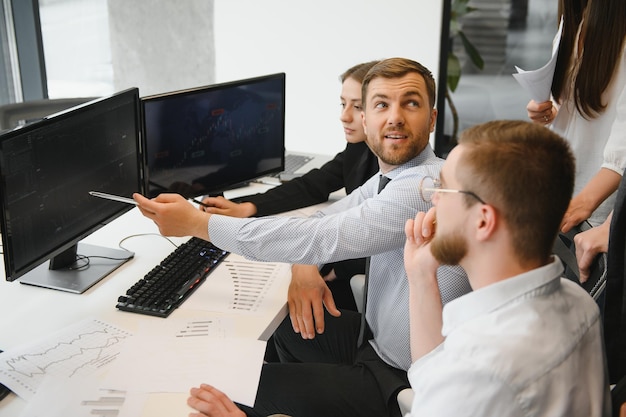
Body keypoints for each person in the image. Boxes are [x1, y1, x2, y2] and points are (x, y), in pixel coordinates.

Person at [134, 57, 471, 417]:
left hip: (402, 378)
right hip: (374, 340)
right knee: (282, 326)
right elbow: (327, 218)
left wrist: (198, 226)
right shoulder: (396, 177)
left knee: (241, 389)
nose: (395, 118)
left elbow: (323, 234)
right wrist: (304, 263)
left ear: (432, 119)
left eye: (411, 104)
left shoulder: (424, 188)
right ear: (366, 119)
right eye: (381, 105)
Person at [403, 120, 610, 416]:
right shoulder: (578, 301)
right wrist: (421, 276)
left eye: (444, 188)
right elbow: (432, 380)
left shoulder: (478, 372)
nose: (434, 197)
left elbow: (452, 385)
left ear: (483, 221)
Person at [201, 61, 380, 311]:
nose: (344, 115)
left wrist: (325, 265)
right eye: (343, 103)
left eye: (357, 106)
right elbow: (313, 184)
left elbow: (378, 238)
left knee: (270, 306)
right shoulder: (360, 148)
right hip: (346, 270)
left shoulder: (392, 169)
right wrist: (249, 207)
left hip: (362, 291)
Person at [526, 0, 626, 231]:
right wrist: (546, 111)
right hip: (562, 190)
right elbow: (574, 108)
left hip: (596, 213)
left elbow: (622, 147)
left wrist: (583, 203)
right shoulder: (574, 24)